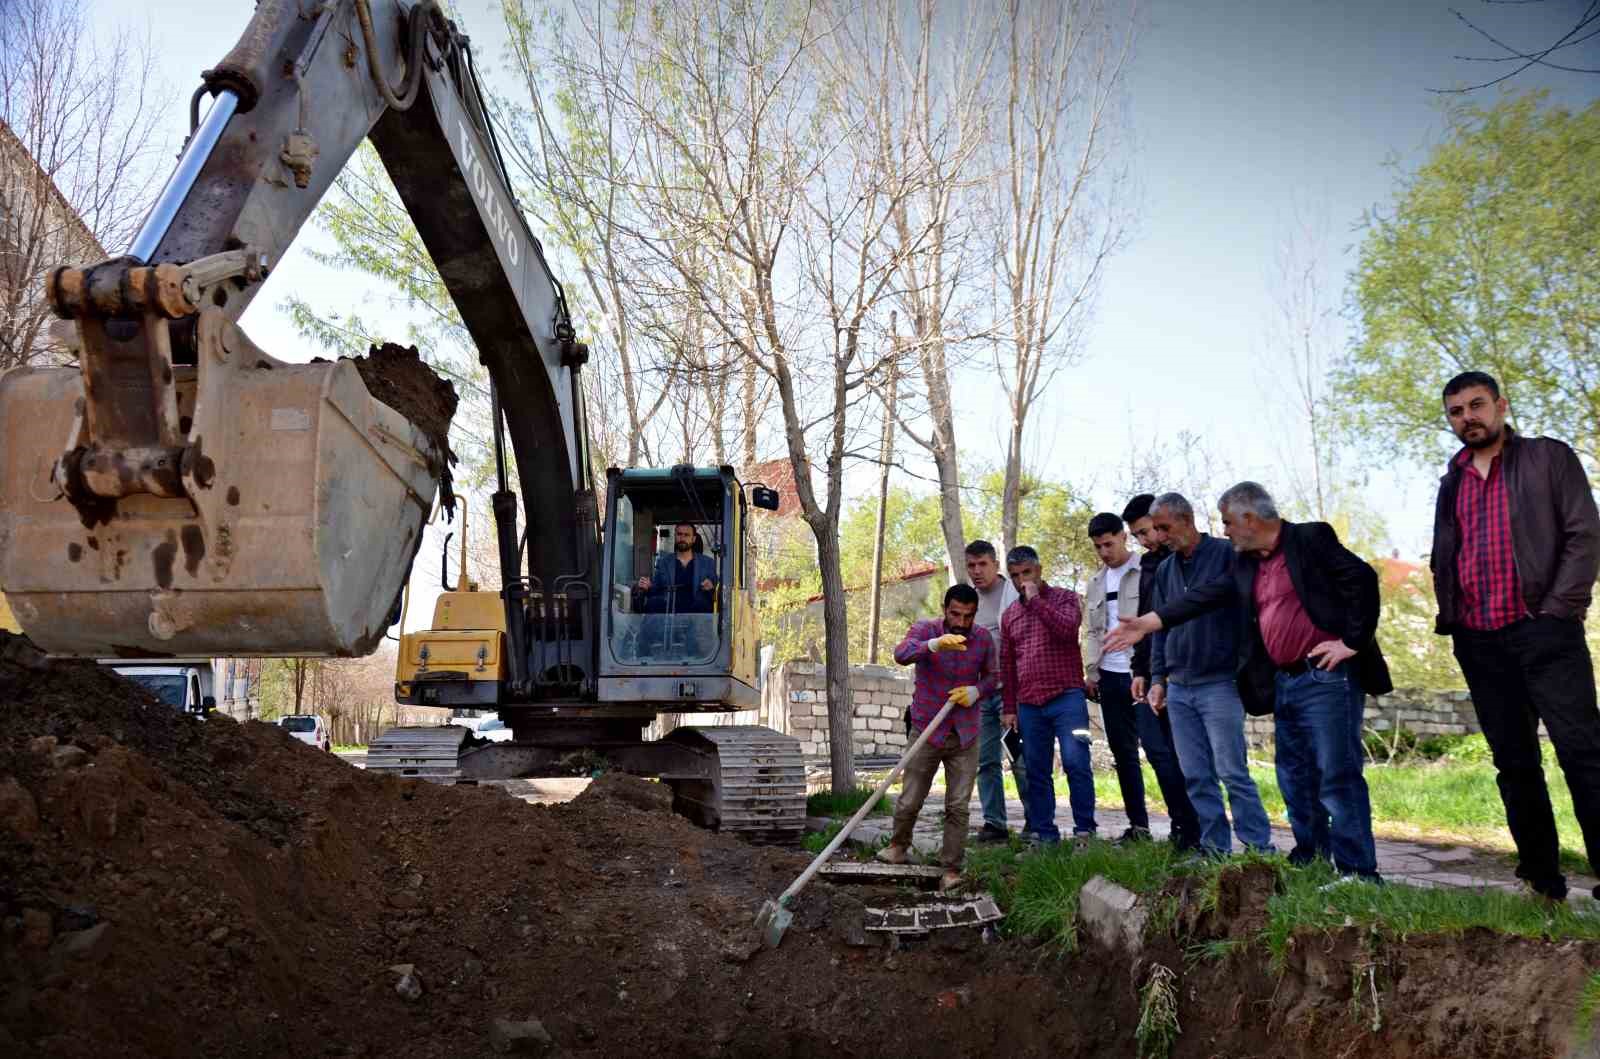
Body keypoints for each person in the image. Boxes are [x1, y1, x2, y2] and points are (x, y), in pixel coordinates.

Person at [1107, 483, 1389, 881]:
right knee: (1293, 776)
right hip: (1284, 680)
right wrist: (1153, 624)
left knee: (1335, 775)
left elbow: (1361, 578)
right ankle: (1311, 857)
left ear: (1251, 519)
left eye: (1227, 521)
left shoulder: (1309, 538)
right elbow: (1209, 594)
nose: (1224, 530)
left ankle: (1360, 873)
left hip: (1324, 677)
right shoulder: (1246, 562)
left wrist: (1352, 642)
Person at [1431, 371, 1600, 902]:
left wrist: (1557, 612)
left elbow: (1584, 532)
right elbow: (1447, 555)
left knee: (1583, 753)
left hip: (1545, 632)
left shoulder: (1547, 458)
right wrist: (1454, 623)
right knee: (1514, 763)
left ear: (1501, 406)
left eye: (1477, 405)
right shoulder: (1452, 479)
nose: (1468, 418)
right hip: (1481, 642)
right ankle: (1542, 882)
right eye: (1457, 412)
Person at [1131, 493, 1273, 857]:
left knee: (1232, 771)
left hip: (1220, 683)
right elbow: (1161, 627)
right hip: (1179, 688)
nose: (1160, 536)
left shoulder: (1227, 555)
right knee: (1196, 776)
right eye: (1156, 529)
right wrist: (1159, 678)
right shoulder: (1165, 570)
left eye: (1164, 527)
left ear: (1187, 519)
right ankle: (1214, 849)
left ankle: (1259, 849)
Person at [882, 584, 997, 891]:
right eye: (955, 614)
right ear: (945, 608)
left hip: (965, 733)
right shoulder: (925, 629)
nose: (961, 622)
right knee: (910, 799)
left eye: (968, 616)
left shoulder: (983, 639)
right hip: (927, 729)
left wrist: (976, 691)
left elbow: (992, 677)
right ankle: (897, 847)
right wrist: (933, 645)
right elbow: (901, 654)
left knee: (958, 805)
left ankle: (951, 869)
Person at [1085, 511, 1183, 845]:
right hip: (1110, 677)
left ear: (1123, 537)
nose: (1104, 552)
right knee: (1123, 753)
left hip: (1141, 673)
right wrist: (1091, 671)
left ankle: (1180, 825)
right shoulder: (1095, 582)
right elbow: (1092, 631)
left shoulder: (1148, 571)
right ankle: (1137, 827)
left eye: (1109, 543)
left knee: (1158, 751)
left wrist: (1157, 673)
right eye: (1098, 547)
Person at [1000, 545, 1095, 847]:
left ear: (1039, 570)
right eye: (1015, 575)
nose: (1021, 580)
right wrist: (1009, 707)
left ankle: (1085, 833)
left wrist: (1037, 601)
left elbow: (1067, 631)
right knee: (1036, 770)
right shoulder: (1010, 615)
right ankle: (1044, 834)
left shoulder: (1066, 598)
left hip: (1067, 696)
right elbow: (1007, 664)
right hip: (1029, 704)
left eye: (1026, 572)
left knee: (1076, 763)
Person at [1121, 494, 1202, 851]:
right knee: (1158, 753)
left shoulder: (1192, 559)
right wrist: (1141, 670)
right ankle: (1181, 826)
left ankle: (1202, 833)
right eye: (1138, 535)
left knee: (1192, 758)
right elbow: (1144, 622)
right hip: (1153, 673)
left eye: (1148, 531)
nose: (1145, 540)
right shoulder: (1149, 568)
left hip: (1189, 672)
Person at [966, 539, 1029, 843]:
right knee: (986, 761)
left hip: (1013, 692)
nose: (977, 571)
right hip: (981, 695)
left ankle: (1035, 822)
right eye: (971, 566)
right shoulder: (970, 603)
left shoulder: (1014, 594)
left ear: (995, 564)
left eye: (983, 564)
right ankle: (995, 823)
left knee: (1022, 760)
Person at [636, 523, 718, 613]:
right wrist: (648, 586)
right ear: (675, 536)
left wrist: (711, 588)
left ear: (693, 539)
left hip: (696, 615)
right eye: (679, 534)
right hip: (668, 614)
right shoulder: (664, 562)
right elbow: (655, 589)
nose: (682, 538)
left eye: (686, 535)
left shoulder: (707, 563)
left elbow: (717, 592)